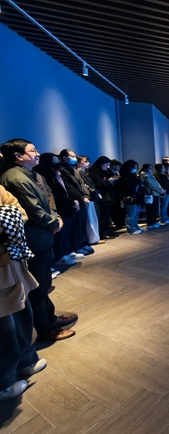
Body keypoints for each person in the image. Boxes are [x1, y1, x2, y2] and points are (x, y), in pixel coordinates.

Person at [0, 139, 77, 341]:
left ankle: (50, 318)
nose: (37, 154)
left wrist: (55, 218)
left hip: (42, 235)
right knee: (38, 285)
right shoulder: (15, 178)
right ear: (18, 156)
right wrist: (54, 222)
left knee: (43, 282)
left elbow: (47, 200)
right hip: (34, 238)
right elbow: (32, 211)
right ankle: (46, 328)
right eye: (33, 150)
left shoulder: (30, 174)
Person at [0, 184, 48, 402]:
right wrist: (7, 217)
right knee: (4, 329)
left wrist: (7, 216)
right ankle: (4, 383)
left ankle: (25, 361)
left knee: (22, 314)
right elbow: (12, 213)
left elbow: (19, 211)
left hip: (13, 263)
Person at [34, 153, 79, 266]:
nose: (57, 163)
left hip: (66, 206)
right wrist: (71, 202)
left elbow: (65, 189)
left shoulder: (56, 173)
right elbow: (55, 193)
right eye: (54, 161)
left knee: (66, 232)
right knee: (60, 234)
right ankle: (60, 256)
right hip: (58, 207)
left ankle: (67, 251)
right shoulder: (45, 175)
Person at [58, 149, 93, 256]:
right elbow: (69, 188)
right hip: (73, 202)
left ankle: (80, 244)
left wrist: (86, 196)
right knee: (74, 227)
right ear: (64, 157)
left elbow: (82, 184)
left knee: (81, 225)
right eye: (72, 156)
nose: (74, 158)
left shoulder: (73, 169)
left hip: (81, 201)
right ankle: (75, 247)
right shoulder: (61, 170)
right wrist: (80, 199)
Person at [88, 156, 118, 240]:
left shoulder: (104, 171)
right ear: (101, 164)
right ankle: (103, 233)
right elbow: (98, 183)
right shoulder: (94, 171)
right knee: (103, 215)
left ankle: (107, 231)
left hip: (108, 195)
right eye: (106, 165)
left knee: (107, 215)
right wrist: (109, 181)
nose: (107, 167)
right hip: (103, 196)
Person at [76, 155, 102, 245]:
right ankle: (92, 238)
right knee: (90, 218)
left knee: (92, 218)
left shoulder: (84, 172)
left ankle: (93, 238)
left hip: (89, 197)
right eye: (85, 162)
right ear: (78, 163)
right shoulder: (79, 172)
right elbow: (84, 186)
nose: (88, 163)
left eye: (88, 162)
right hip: (87, 198)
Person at [117, 160, 144, 234]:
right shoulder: (125, 176)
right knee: (131, 214)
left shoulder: (133, 175)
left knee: (136, 213)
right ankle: (131, 229)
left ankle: (135, 226)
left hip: (136, 196)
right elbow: (129, 186)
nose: (135, 169)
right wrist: (138, 181)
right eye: (134, 167)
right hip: (130, 196)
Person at [139, 164, 163, 230]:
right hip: (151, 194)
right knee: (151, 209)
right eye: (150, 168)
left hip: (154, 193)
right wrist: (160, 190)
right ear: (145, 169)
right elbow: (151, 185)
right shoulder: (145, 175)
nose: (152, 170)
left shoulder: (149, 175)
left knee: (154, 209)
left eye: (152, 168)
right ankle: (151, 223)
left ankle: (153, 221)